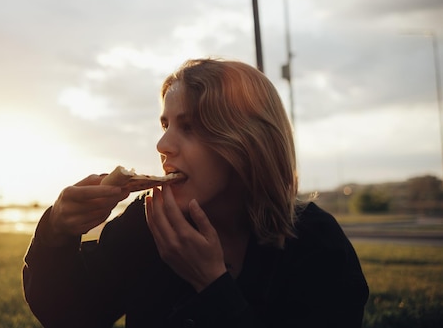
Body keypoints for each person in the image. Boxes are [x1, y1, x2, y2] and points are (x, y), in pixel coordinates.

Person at [23, 58, 369, 328]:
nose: (162, 145)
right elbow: (68, 315)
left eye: (188, 127)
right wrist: (56, 231)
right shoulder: (146, 222)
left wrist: (212, 285)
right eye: (165, 125)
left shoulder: (316, 245)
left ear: (244, 142)